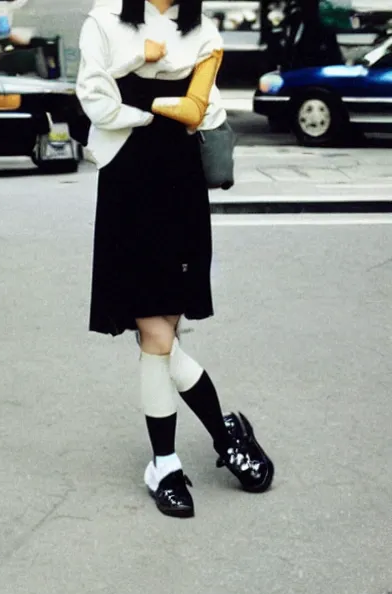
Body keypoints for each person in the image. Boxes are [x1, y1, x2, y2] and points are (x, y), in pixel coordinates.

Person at [76, 0, 274, 519]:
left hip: (179, 187)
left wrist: (149, 95)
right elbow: (94, 100)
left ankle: (194, 448)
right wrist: (143, 78)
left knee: (161, 335)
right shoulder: (104, 21)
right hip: (127, 184)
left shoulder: (203, 33)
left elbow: (201, 113)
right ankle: (184, 453)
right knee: (156, 334)